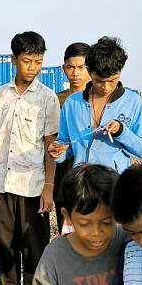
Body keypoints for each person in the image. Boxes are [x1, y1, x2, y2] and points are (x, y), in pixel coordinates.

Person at [0, 31, 61, 285]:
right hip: (2, 182)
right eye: (27, 61)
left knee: (35, 249)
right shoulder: (1, 95)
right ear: (14, 60)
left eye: (38, 62)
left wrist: (49, 187)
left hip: (33, 185)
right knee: (4, 247)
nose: (33, 67)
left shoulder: (47, 99)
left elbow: (51, 147)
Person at [49, 36, 142, 174]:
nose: (106, 87)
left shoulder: (134, 103)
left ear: (120, 71)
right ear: (89, 71)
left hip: (115, 185)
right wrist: (57, 152)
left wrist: (122, 132)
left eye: (112, 81)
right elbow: (65, 144)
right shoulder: (72, 103)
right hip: (80, 184)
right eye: (99, 81)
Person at [53, 43, 92, 226]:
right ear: (64, 69)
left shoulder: (98, 98)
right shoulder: (56, 100)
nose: (75, 73)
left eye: (81, 67)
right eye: (70, 67)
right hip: (63, 173)